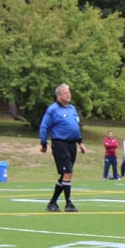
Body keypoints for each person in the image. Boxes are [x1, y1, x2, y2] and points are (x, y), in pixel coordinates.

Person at [39, 83, 87, 212]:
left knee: (66, 174)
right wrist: (43, 143)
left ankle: (52, 203)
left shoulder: (72, 108)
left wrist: (80, 142)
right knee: (68, 172)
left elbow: (75, 127)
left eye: (69, 92)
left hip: (72, 144)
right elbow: (44, 126)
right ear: (59, 95)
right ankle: (68, 203)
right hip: (60, 143)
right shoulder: (53, 109)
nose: (69, 94)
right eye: (66, 92)